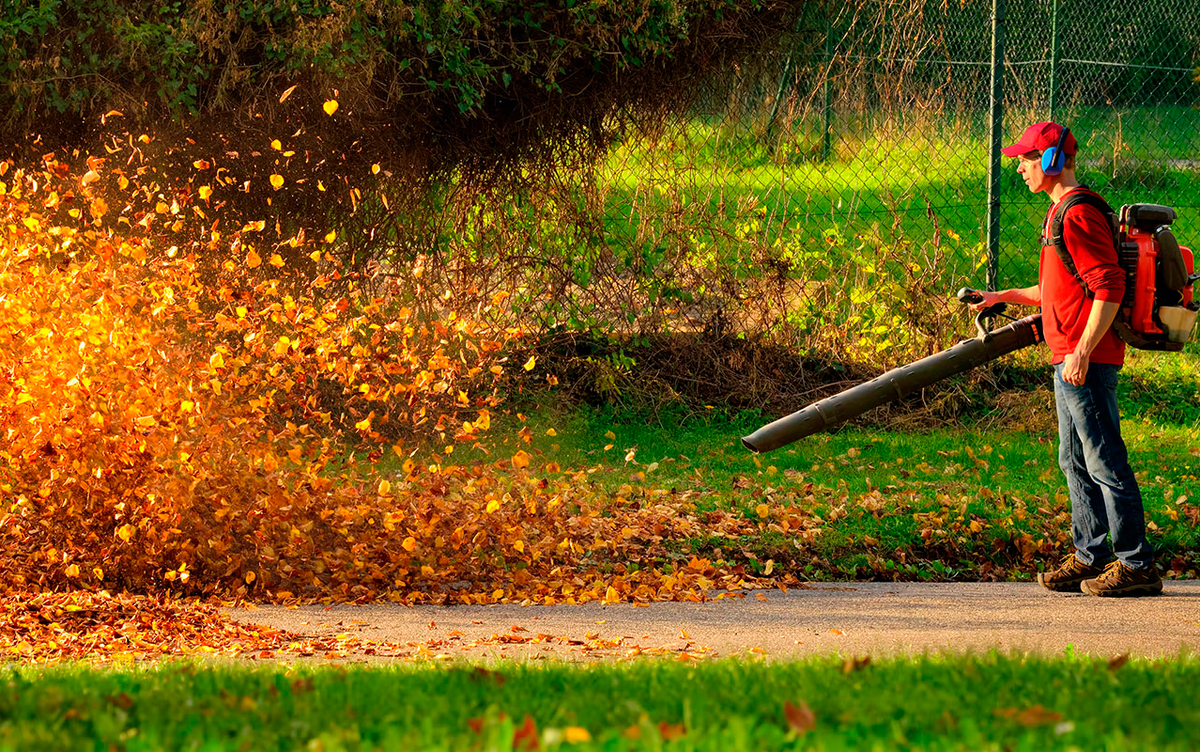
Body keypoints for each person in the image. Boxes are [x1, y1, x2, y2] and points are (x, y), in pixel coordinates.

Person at [969, 121, 1162, 597]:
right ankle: (1090, 555)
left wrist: (1082, 350)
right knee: (1074, 461)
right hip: (1070, 356)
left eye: (1026, 159)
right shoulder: (1060, 213)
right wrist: (1001, 296)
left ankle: (1136, 563)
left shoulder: (1076, 214)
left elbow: (1109, 285)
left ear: (1052, 160)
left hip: (1085, 359)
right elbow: (1057, 288)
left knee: (1104, 461)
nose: (1020, 168)